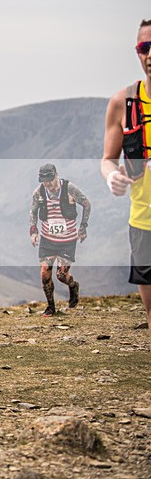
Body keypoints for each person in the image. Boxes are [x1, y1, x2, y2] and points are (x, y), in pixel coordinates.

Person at [102, 18, 151, 334]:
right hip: (144, 223)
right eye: (145, 47)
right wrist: (112, 178)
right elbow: (108, 160)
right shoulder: (123, 103)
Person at [29, 164, 91, 317]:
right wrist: (33, 231)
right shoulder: (39, 192)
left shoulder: (69, 188)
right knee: (45, 273)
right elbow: (33, 212)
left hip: (67, 241)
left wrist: (83, 227)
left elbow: (86, 204)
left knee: (61, 275)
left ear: (56, 175)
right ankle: (51, 307)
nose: (48, 184)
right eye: (44, 181)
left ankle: (73, 286)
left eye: (50, 180)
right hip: (47, 240)